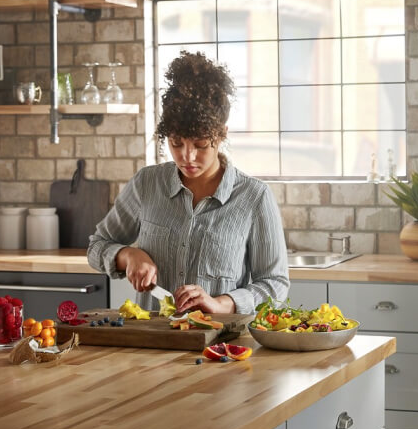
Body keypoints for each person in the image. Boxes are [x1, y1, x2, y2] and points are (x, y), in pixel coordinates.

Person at [88, 51, 289, 315]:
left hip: (219, 348)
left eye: (201, 145)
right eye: (176, 143)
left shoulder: (254, 197)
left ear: (222, 134)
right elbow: (97, 246)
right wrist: (128, 256)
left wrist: (221, 303)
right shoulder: (147, 184)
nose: (187, 156)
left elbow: (275, 285)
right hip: (152, 343)